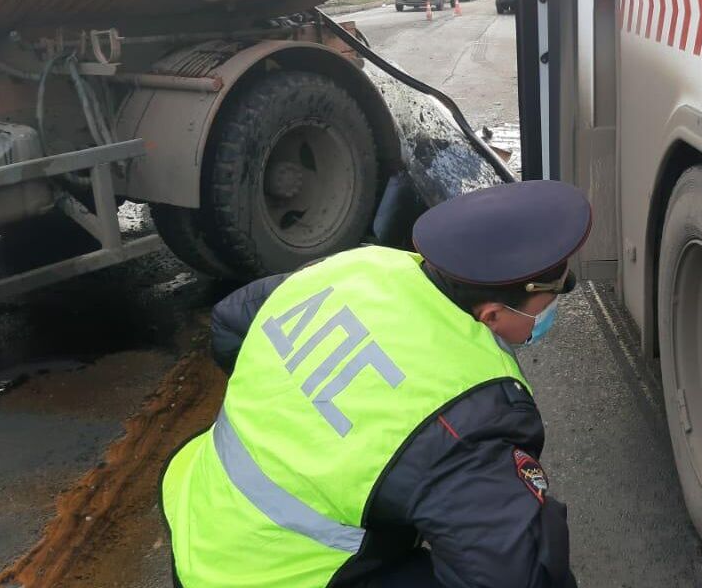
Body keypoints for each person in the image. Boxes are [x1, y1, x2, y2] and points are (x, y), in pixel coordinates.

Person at [161, 180, 591, 588]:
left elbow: (231, 323)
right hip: (281, 576)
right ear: (493, 315)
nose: (557, 304)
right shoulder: (467, 414)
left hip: (198, 521)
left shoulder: (361, 265)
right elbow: (516, 575)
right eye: (554, 297)